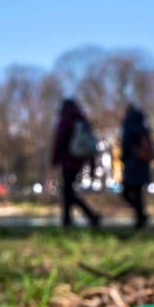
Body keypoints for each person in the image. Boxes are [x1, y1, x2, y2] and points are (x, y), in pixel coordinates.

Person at [50, 98, 101, 228]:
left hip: (68, 160)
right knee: (68, 191)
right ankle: (69, 219)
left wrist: (55, 159)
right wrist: (91, 164)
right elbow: (90, 143)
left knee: (68, 192)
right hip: (79, 160)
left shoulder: (65, 120)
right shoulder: (82, 120)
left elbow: (59, 140)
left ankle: (87, 216)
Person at [119, 105, 154, 230]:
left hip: (132, 164)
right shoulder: (144, 128)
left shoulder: (128, 126)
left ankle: (141, 217)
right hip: (142, 165)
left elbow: (125, 145)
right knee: (138, 194)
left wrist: (123, 157)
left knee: (126, 192)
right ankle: (141, 218)